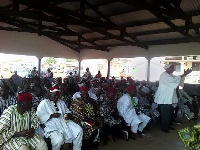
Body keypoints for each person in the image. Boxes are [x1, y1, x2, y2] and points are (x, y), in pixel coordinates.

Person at [36, 86, 83, 150]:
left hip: (64, 121)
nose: (56, 97)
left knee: (79, 130)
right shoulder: (44, 103)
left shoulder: (61, 102)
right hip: (51, 124)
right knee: (58, 139)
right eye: (55, 95)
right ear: (50, 94)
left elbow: (67, 111)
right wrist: (51, 115)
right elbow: (38, 116)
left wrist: (68, 114)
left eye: (58, 95)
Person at [154, 64, 192, 133]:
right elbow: (174, 80)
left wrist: (184, 75)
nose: (173, 69)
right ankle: (164, 127)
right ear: (167, 68)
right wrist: (184, 74)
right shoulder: (164, 75)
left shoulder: (170, 75)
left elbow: (178, 80)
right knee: (165, 114)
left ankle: (168, 125)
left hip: (169, 99)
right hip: (164, 99)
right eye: (172, 68)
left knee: (169, 113)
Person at [70, 86, 102, 150]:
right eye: (84, 93)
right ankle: (85, 146)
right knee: (92, 127)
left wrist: (92, 103)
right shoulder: (77, 101)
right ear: (80, 94)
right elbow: (80, 115)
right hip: (79, 120)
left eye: (86, 93)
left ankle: (91, 143)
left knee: (99, 123)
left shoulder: (89, 101)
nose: (85, 95)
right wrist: (92, 120)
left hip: (88, 118)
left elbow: (93, 111)